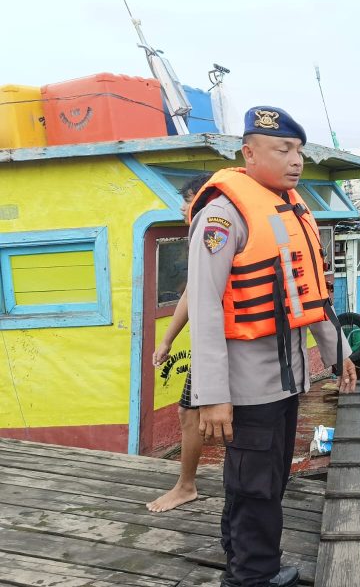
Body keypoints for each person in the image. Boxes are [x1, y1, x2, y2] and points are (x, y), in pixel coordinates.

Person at [187, 106, 356, 587]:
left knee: (268, 480)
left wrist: (339, 353)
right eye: (283, 149)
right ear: (249, 153)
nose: (295, 160)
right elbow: (204, 307)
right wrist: (212, 395)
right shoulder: (222, 216)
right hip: (248, 387)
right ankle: (251, 577)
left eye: (298, 150)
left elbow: (311, 293)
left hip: (288, 380)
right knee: (253, 487)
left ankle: (250, 566)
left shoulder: (290, 209)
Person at [146, 172, 213, 513]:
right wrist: (167, 340)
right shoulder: (204, 232)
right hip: (213, 346)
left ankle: (186, 486)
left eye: (187, 200)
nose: (183, 208)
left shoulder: (214, 232)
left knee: (193, 413)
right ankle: (187, 484)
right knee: (192, 412)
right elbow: (191, 291)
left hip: (223, 345)